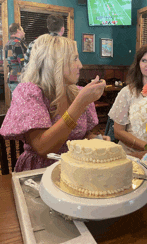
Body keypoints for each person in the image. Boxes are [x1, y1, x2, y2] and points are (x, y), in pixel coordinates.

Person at [0, 34, 109, 172]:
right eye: (75, 58)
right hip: (39, 172)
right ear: (55, 63)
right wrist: (80, 103)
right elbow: (44, 149)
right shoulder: (29, 92)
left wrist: (94, 139)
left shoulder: (76, 92)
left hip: (74, 168)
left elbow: (79, 136)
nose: (80, 65)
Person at [108, 43, 147, 156]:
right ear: (138, 64)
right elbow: (118, 132)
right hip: (131, 153)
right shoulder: (127, 93)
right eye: (144, 60)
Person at [4, 23, 27, 93]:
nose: (24, 33)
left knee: (15, 102)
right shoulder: (18, 44)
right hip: (19, 80)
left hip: (11, 79)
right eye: (22, 30)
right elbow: (23, 64)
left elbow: (7, 60)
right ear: (18, 31)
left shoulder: (7, 44)